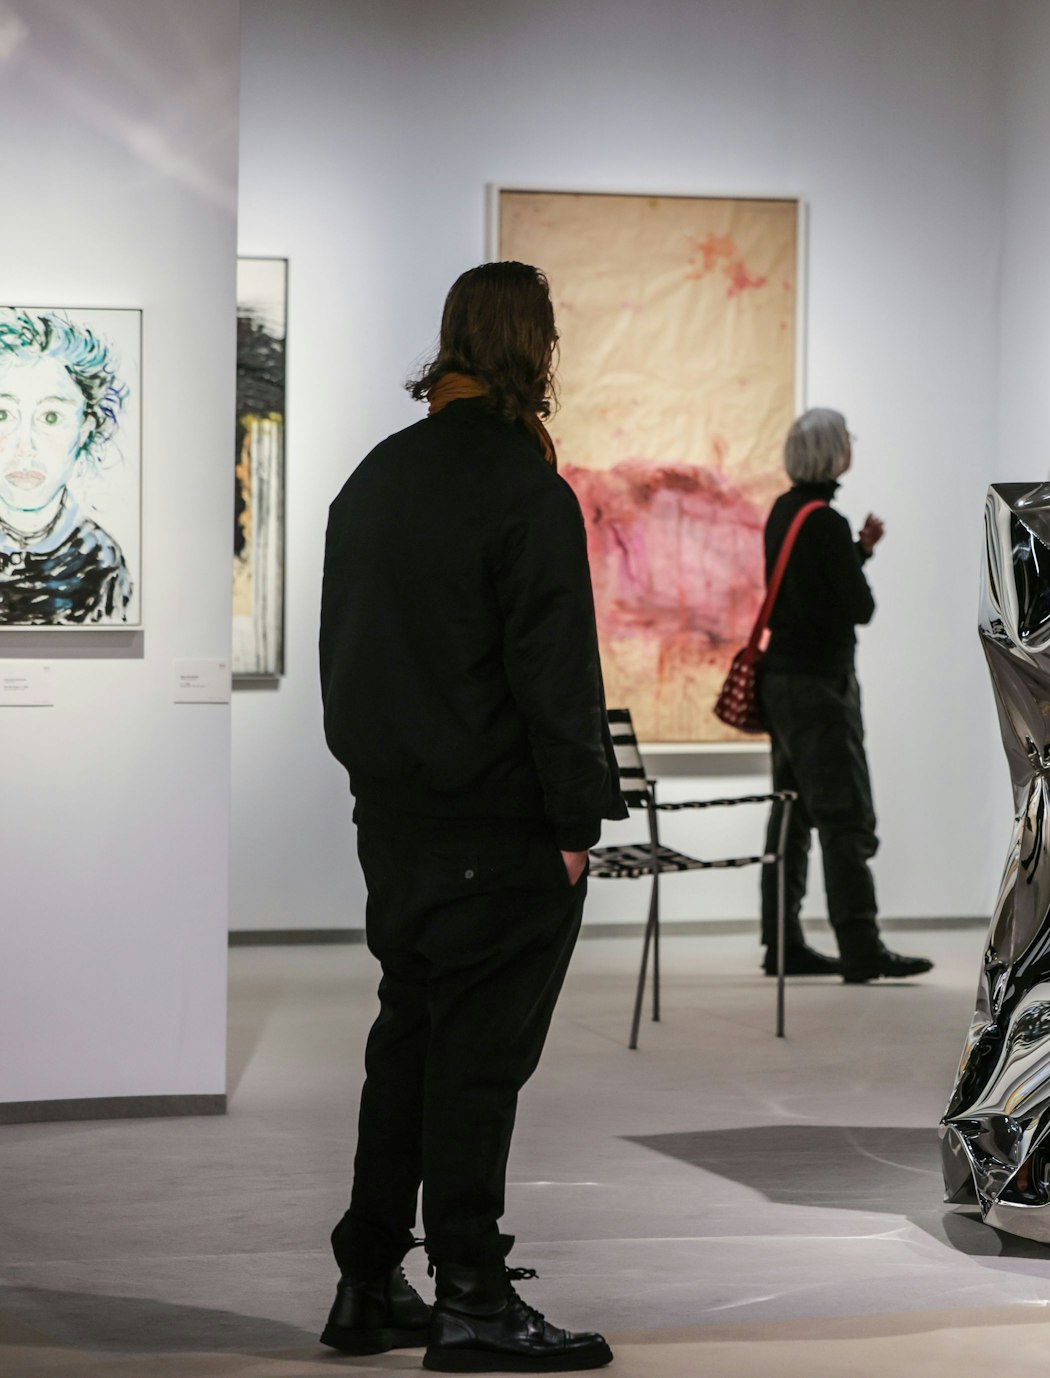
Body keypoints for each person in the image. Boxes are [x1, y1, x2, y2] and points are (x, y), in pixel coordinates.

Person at [318, 261, 621, 1372]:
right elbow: (554, 676)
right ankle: (474, 1298)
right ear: (535, 350)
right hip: (498, 829)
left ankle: (366, 1278)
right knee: (477, 1063)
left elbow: (342, 664)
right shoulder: (521, 490)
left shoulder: (376, 478)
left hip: (396, 822)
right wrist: (577, 821)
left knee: (408, 1040)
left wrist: (375, 784)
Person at [758, 409, 933, 984]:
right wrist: (854, 558)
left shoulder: (785, 513)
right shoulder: (825, 522)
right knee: (843, 814)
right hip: (821, 685)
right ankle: (861, 946)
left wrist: (857, 550)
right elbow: (858, 607)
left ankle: (781, 943)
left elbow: (807, 589)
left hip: (781, 682)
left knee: (790, 810)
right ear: (835, 452)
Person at [0, 309, 133, 625]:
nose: (25, 447)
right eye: (2, 415)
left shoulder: (103, 563)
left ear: (84, 429)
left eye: (50, 417)